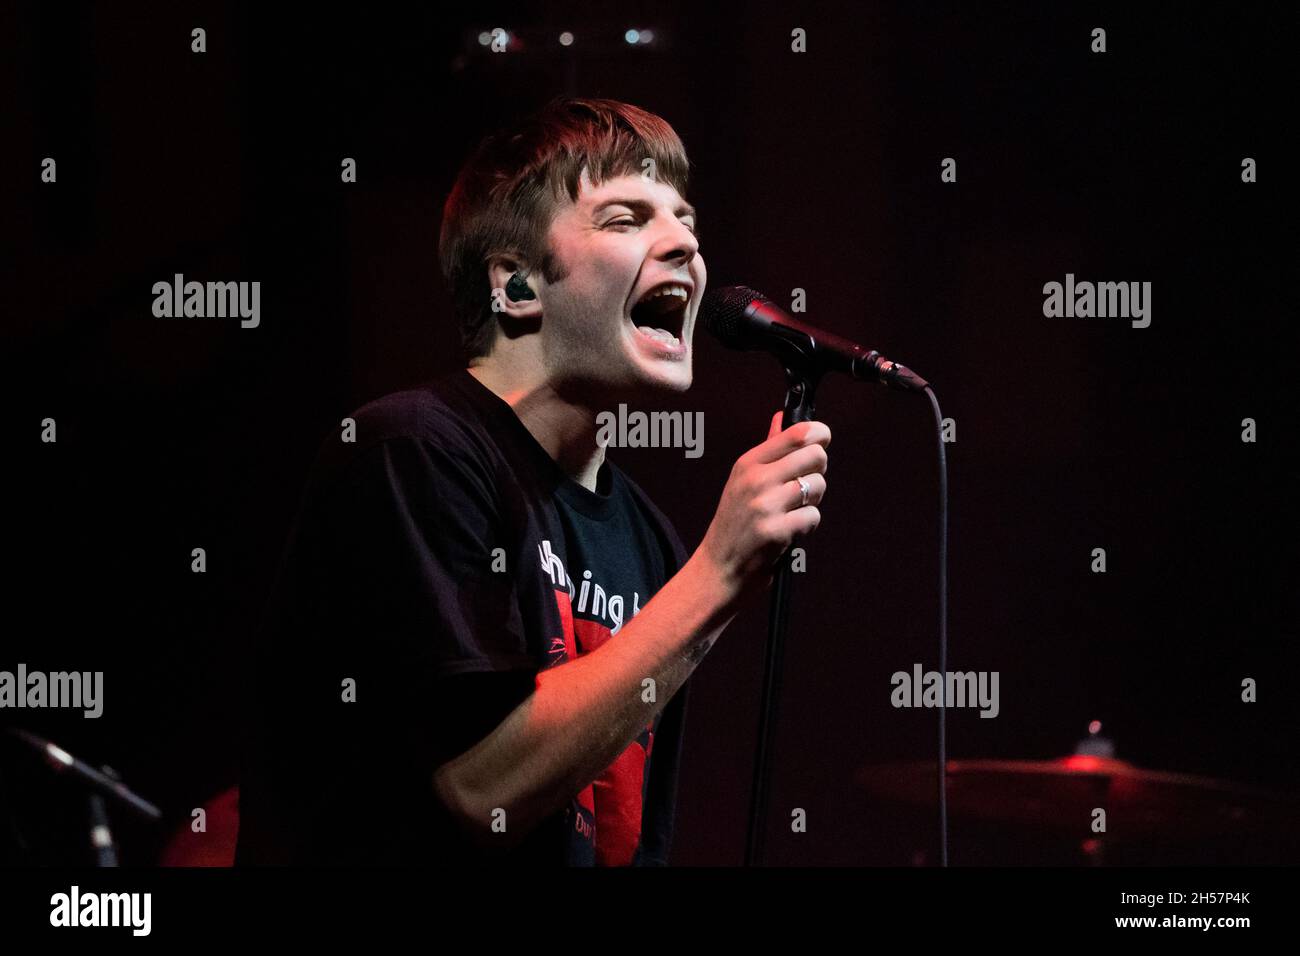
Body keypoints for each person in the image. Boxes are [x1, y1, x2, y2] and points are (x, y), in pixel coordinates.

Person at [234, 96, 830, 866]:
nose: (683, 242)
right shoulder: (414, 452)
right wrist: (718, 576)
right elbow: (483, 788)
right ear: (516, 286)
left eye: (686, 220)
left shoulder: (650, 541)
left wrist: (710, 576)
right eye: (626, 218)